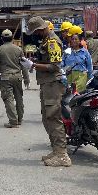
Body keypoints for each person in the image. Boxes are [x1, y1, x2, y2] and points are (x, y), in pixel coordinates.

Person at [24, 16, 71, 167]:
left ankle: (62, 154)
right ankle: (56, 150)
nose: (35, 35)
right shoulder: (45, 41)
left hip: (53, 84)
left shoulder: (52, 41)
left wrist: (33, 65)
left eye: (36, 32)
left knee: (53, 117)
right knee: (46, 117)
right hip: (46, 83)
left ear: (41, 29)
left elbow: (55, 66)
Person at [0, 29, 25, 128]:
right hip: (18, 77)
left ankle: (13, 121)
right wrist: (26, 79)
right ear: (12, 38)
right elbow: (24, 65)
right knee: (19, 98)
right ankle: (19, 119)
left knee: (8, 98)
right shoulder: (18, 49)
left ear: (2, 39)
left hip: (5, 78)